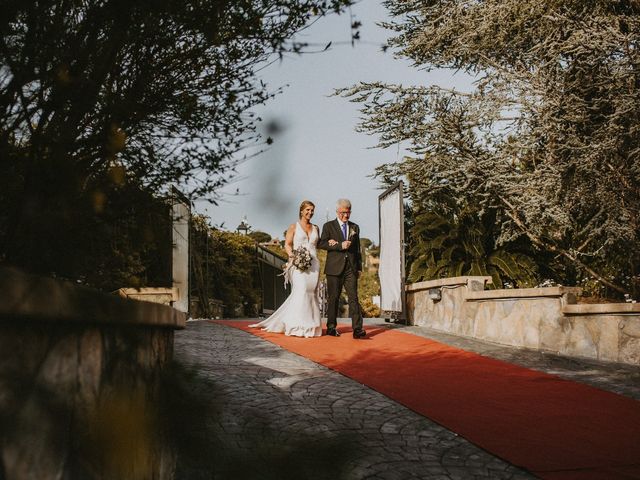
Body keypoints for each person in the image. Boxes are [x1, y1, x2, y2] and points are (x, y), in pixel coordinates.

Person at [249, 200, 322, 337]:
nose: (310, 212)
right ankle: (297, 326)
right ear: (301, 211)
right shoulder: (294, 227)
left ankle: (312, 327)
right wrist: (292, 256)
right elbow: (288, 244)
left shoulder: (316, 228)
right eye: (307, 210)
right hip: (298, 264)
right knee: (301, 291)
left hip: (314, 265)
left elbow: (317, 245)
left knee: (312, 293)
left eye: (312, 210)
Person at [317, 198, 366, 339]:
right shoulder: (328, 226)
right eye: (343, 212)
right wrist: (339, 245)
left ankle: (358, 329)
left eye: (348, 212)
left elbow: (357, 249)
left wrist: (359, 268)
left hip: (351, 268)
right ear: (337, 212)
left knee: (354, 298)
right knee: (333, 298)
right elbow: (322, 244)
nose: (346, 215)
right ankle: (331, 328)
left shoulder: (355, 227)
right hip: (334, 268)